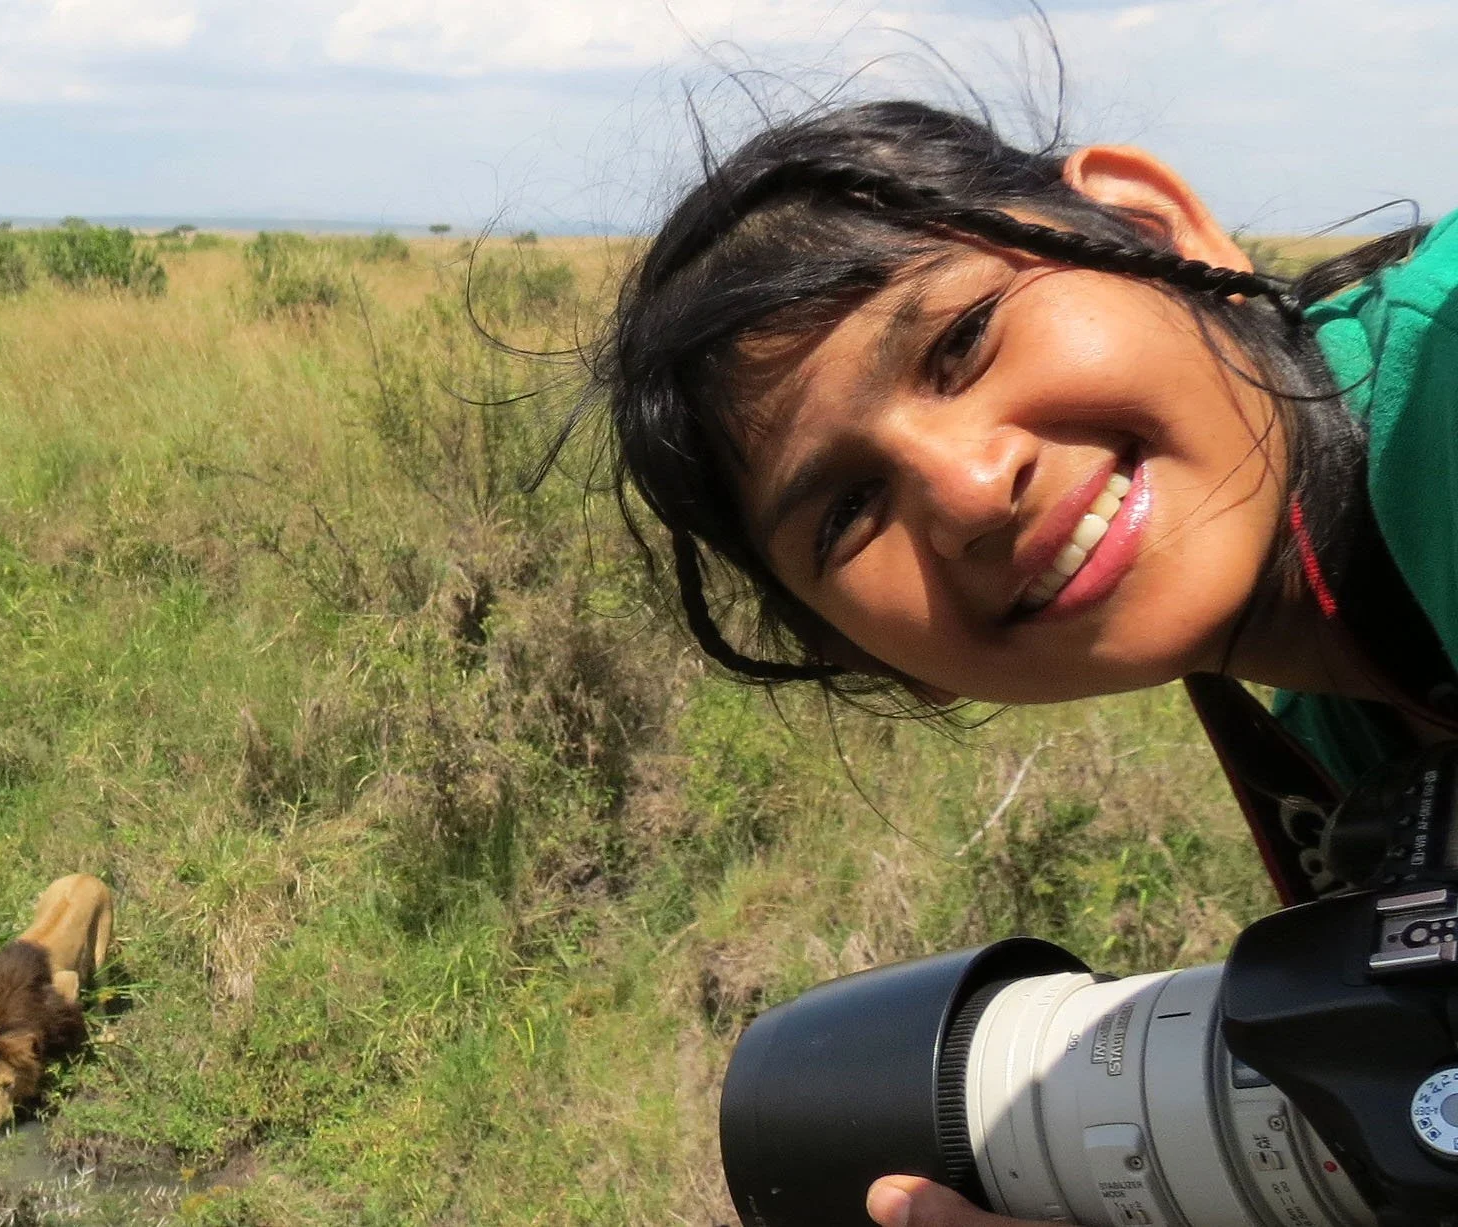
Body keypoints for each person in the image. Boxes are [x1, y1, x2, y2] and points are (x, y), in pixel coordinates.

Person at [578, 98, 1458, 1227]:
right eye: (849, 510)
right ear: (883, 660)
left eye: (963, 342)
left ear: (1151, 228)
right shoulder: (1349, 739)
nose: (967, 492)